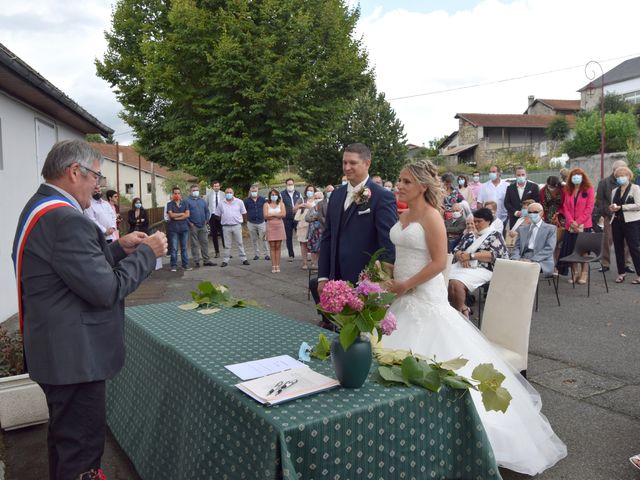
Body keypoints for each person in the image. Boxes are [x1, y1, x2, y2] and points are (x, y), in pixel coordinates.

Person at [380, 158, 567, 476]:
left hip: (423, 297)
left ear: (423, 186)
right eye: (399, 180)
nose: (399, 185)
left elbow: (440, 262)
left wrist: (405, 285)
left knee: (437, 367)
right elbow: (405, 253)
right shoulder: (404, 213)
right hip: (402, 298)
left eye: (406, 181)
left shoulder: (431, 217)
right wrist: (388, 277)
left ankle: (461, 437)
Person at [11, 139, 167, 480]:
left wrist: (119, 250)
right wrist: (147, 254)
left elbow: (70, 270)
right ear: (74, 172)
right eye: (96, 176)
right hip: (75, 359)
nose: (99, 185)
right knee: (81, 454)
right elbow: (106, 289)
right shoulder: (67, 220)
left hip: (56, 352)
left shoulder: (40, 207)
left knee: (65, 443)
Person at [313, 143, 397, 330]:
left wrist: (379, 281)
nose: (347, 167)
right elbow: (327, 238)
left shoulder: (382, 197)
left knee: (362, 335)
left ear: (367, 163)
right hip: (336, 278)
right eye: (344, 162)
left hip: (364, 280)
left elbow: (388, 244)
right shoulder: (336, 195)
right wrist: (323, 276)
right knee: (341, 331)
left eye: (353, 163)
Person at [448, 208, 509, 317]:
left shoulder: (495, 235)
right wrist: (461, 256)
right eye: (474, 221)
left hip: (483, 269)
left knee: (456, 284)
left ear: (488, 221)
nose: (475, 224)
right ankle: (463, 308)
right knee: (443, 280)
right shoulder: (469, 235)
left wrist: (470, 256)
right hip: (461, 266)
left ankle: (458, 317)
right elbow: (456, 250)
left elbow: (494, 255)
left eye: (479, 221)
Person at [557, 167, 595, 284]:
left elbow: (589, 208)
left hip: (584, 225)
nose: (576, 177)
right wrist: (571, 221)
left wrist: (578, 222)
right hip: (570, 226)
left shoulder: (589, 189)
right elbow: (565, 208)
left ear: (583, 177)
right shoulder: (568, 190)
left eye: (579, 175)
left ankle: (584, 274)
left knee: (583, 251)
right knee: (572, 250)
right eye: (574, 175)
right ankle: (574, 273)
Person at [596, 160, 633, 273]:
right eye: (622, 169)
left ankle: (627, 264)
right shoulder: (604, 182)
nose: (624, 172)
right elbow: (599, 201)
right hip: (610, 216)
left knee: (627, 241)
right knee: (607, 240)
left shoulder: (629, 183)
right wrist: (607, 212)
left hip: (626, 216)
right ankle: (605, 263)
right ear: (614, 171)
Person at [609, 166, 640, 284]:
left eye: (623, 176)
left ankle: (639, 274)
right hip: (616, 221)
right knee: (618, 248)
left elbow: (638, 205)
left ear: (628, 176)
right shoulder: (614, 191)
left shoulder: (635, 188)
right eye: (618, 176)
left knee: (634, 247)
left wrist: (622, 207)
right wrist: (612, 208)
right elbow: (613, 205)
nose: (620, 178)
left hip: (632, 222)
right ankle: (621, 273)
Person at [511, 202, 557, 276]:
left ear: (542, 213)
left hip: (541, 260)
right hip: (523, 258)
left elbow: (549, 248)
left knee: (525, 271)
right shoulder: (522, 229)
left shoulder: (550, 229)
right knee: (508, 267)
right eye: (530, 212)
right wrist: (515, 259)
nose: (532, 214)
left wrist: (532, 260)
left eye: (535, 212)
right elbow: (517, 247)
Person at [215, 187, 250, 267]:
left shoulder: (239, 202)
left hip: (237, 226)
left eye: (230, 192)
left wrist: (242, 222)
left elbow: (244, 213)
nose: (229, 194)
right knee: (227, 245)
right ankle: (225, 260)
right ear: (225, 194)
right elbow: (217, 215)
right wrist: (225, 219)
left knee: (240, 243)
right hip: (226, 227)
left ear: (233, 193)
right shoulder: (221, 203)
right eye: (227, 193)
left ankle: (244, 259)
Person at [186, 184, 215, 268]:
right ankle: (197, 261)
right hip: (193, 226)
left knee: (205, 243)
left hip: (203, 225)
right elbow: (185, 213)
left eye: (197, 190)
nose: (195, 192)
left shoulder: (202, 200)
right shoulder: (186, 201)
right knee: (194, 244)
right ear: (190, 191)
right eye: (194, 190)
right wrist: (189, 223)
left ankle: (206, 260)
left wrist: (206, 220)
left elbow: (207, 211)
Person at [539, 176, 564, 272]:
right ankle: (550, 266)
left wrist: (559, 213)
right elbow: (542, 205)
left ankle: (557, 265)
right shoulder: (542, 191)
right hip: (547, 219)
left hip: (561, 219)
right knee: (549, 244)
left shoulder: (563, 190)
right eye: (550, 186)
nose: (552, 188)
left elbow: (565, 204)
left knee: (559, 244)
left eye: (554, 186)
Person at [166, 186, 191, 272]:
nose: (177, 195)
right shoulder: (169, 204)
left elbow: (187, 215)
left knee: (184, 248)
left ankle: (185, 265)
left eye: (178, 193)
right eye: (175, 193)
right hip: (174, 229)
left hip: (184, 229)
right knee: (174, 248)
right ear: (172, 194)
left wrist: (177, 217)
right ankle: (173, 266)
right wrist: (182, 214)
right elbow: (171, 215)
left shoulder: (185, 203)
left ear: (181, 194)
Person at [244, 184, 269, 261]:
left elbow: (266, 209)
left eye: (255, 191)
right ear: (250, 191)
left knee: (264, 238)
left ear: (258, 191)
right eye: (252, 191)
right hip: (251, 222)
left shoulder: (262, 200)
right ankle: (256, 254)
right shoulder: (246, 201)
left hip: (261, 222)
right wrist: (246, 220)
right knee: (254, 239)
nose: (254, 192)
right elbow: (244, 211)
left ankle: (266, 254)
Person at [293, 185, 317, 269]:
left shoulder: (317, 199)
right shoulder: (302, 199)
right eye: (308, 190)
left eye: (311, 190)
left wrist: (310, 207)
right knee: (303, 244)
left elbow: (320, 210)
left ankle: (314, 263)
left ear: (314, 191)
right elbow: (294, 209)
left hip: (313, 224)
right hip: (302, 224)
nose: (309, 192)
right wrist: (301, 205)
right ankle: (305, 263)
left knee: (313, 244)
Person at [263, 188, 286, 273]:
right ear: (269, 196)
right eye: (272, 195)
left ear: (278, 196)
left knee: (278, 246)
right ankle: (273, 265)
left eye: (275, 194)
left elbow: (283, 214)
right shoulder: (266, 204)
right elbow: (265, 216)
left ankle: (278, 265)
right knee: (272, 246)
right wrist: (277, 215)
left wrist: (272, 214)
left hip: (279, 226)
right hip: (270, 226)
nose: (274, 196)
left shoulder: (281, 204)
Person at [281, 178, 301, 262]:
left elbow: (301, 204)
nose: (290, 186)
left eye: (291, 184)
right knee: (288, 237)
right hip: (287, 219)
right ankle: (291, 255)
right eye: (288, 184)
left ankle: (304, 254)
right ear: (286, 185)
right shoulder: (282, 194)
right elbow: (280, 205)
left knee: (301, 237)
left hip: (297, 218)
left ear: (294, 184)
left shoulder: (298, 193)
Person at [305, 191, 326, 268]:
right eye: (316, 198)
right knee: (314, 249)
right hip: (313, 232)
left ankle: (322, 265)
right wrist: (315, 218)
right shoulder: (312, 208)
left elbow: (326, 218)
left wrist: (315, 218)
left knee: (322, 249)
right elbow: (306, 218)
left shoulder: (326, 206)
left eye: (319, 198)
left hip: (322, 231)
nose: (317, 199)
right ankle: (315, 264)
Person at [205, 180, 225, 258]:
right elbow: (206, 206)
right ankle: (217, 252)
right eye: (215, 186)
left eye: (218, 186)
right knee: (214, 235)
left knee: (224, 234)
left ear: (219, 186)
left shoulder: (223, 194)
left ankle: (227, 252)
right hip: (212, 216)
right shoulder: (208, 195)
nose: (216, 187)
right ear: (212, 187)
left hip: (221, 216)